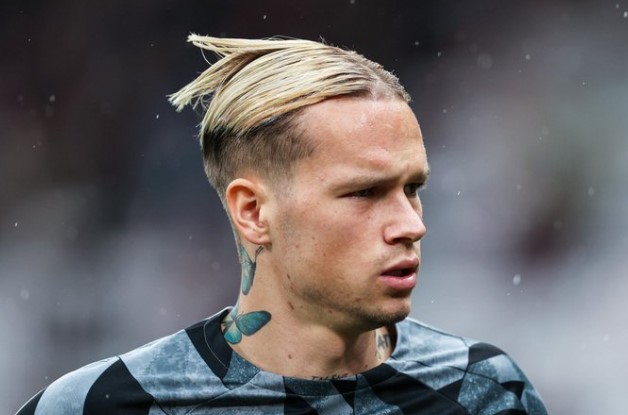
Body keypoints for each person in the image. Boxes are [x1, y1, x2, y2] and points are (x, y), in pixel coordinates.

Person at [16, 35, 547, 415]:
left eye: (412, 189)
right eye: (363, 193)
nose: (411, 224)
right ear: (252, 212)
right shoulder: (104, 404)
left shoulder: (486, 392)